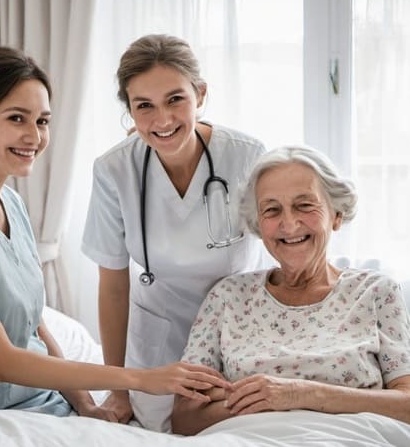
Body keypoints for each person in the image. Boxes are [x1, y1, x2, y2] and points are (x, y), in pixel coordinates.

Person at [0, 46, 229, 418]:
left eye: (42, 121)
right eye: (17, 118)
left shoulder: (10, 203)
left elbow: (34, 326)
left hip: (38, 400)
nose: (34, 136)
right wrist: (137, 379)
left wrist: (85, 404)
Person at [81, 34, 267, 431]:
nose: (161, 120)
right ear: (129, 110)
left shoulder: (247, 156)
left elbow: (282, 253)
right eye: (143, 106)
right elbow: (113, 284)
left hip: (240, 336)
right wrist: (117, 388)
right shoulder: (114, 170)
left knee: (242, 430)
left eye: (175, 99)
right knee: (166, 430)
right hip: (159, 347)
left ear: (200, 94)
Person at [171, 145, 410, 435]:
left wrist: (299, 394)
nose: (289, 224)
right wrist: (267, 401)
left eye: (304, 205)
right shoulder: (228, 296)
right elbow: (185, 417)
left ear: (336, 214)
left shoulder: (375, 292)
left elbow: (406, 405)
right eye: (272, 210)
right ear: (259, 225)